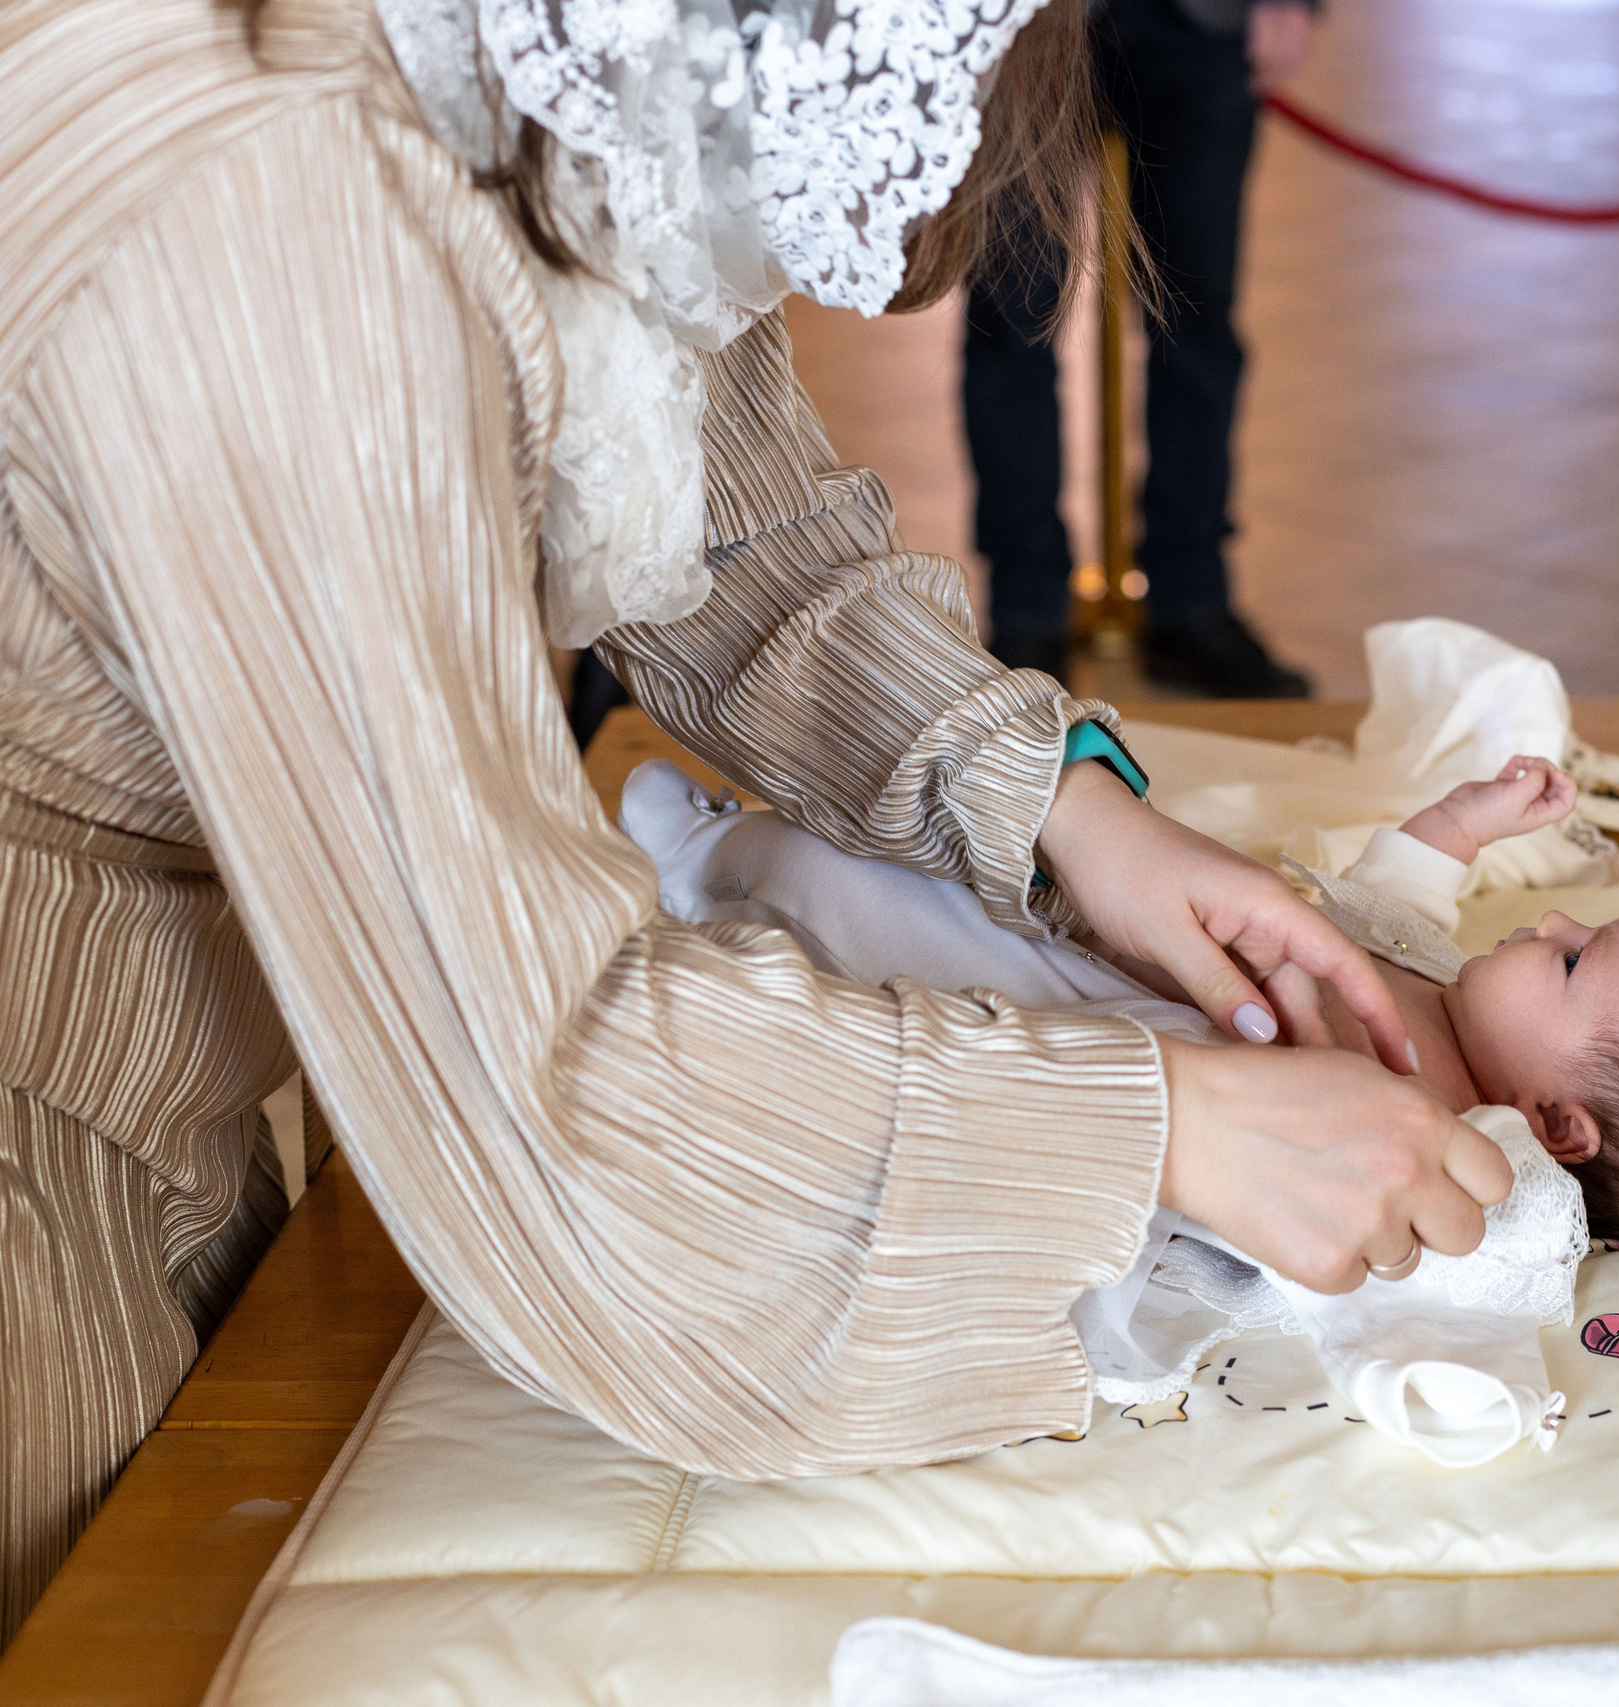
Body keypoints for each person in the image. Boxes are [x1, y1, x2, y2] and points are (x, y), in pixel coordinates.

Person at [0, 0, 1509, 1643]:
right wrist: (1159, 1130)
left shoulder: (583, 61)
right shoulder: (272, 228)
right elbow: (538, 1083)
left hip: (180, 1021)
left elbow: (742, 532)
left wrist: (1065, 806)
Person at [629, 752, 1619, 1256]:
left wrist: (1304, 988)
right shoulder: (1449, 995)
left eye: (1575, 960)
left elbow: (1341, 1110)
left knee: (873, 920)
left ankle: (708, 868)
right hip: (1115, 925)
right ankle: (739, 849)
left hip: (1088, 1016)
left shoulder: (1447, 1123)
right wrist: (1457, 826)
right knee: (935, 859)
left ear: (1555, 1124)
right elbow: (1385, 906)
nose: (1553, 924)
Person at [963, 0, 1320, 696]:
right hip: (1014, 22)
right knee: (1009, 324)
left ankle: (1191, 601)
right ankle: (1025, 610)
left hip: (1200, 22)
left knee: (1199, 323)